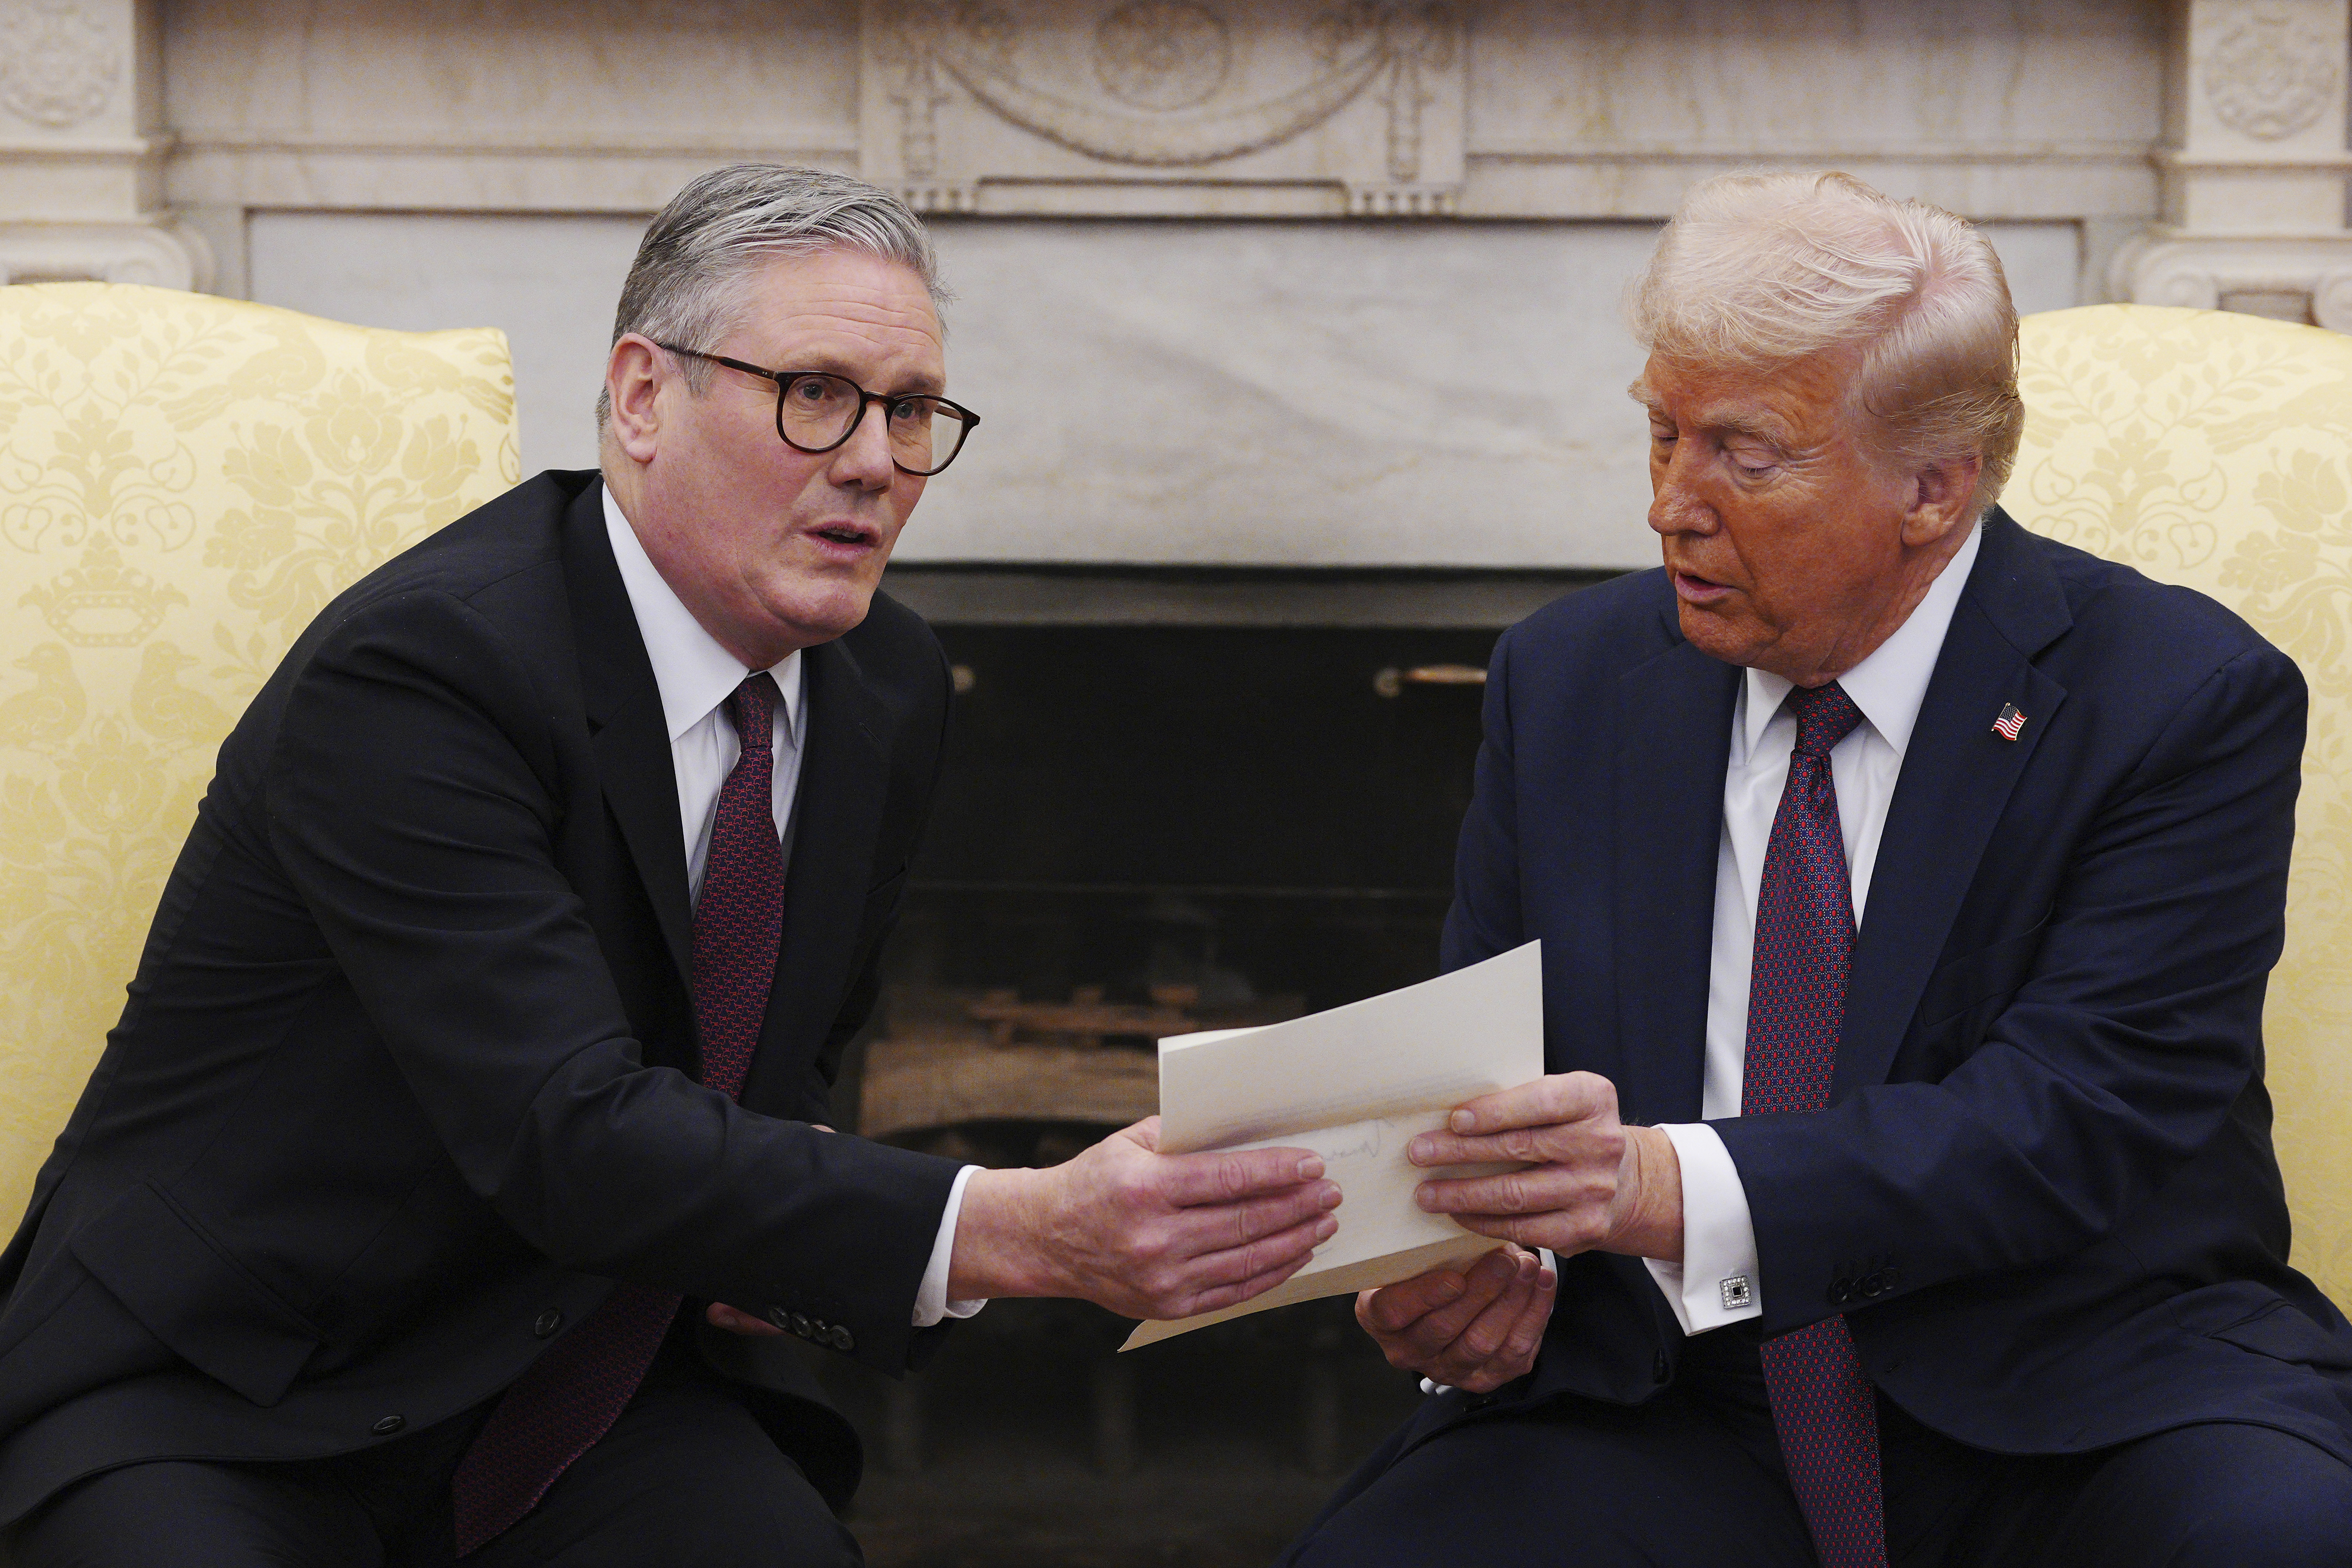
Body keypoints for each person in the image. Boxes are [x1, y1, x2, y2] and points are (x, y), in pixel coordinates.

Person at [0, 165, 1342, 1567]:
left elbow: (781, 1067)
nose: (876, 459)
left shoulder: (885, 683)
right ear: (643, 397)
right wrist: (1019, 1226)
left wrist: (797, 1257)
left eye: (908, 409)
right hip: (241, 1384)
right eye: (814, 390)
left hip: (581, 1371)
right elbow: (560, 1128)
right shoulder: (427, 672)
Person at [1287, 171, 2352, 1567]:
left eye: (1742, 452)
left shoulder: (2176, 697)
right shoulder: (1566, 682)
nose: (1672, 504)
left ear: (1931, 486)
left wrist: (1657, 1186)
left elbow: (2074, 1116)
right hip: (1672, 1396)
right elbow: (1483, 1088)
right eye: (1661, 433)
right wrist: (1463, 1270)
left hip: (2081, 1385)